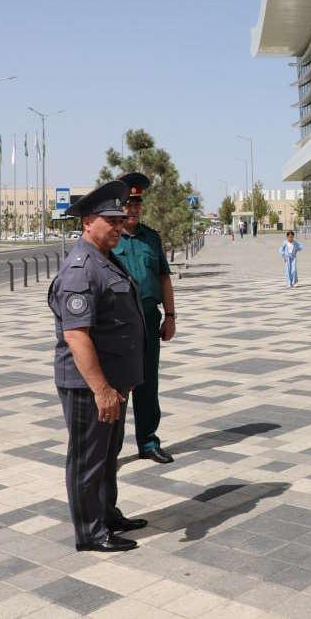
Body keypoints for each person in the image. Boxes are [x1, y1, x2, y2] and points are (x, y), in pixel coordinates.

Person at [47, 180, 148, 552]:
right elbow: (77, 336)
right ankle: (89, 532)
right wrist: (102, 389)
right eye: (112, 221)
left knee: (108, 455)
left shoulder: (107, 258)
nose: (120, 227)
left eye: (121, 220)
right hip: (89, 386)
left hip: (113, 383)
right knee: (88, 458)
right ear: (88, 221)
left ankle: (107, 514)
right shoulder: (80, 268)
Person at [111, 172, 177, 465]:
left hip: (149, 319)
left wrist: (171, 316)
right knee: (119, 386)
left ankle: (148, 442)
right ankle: (109, 450)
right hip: (120, 324)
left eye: (137, 202)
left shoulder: (152, 238)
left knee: (148, 384)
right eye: (128, 203)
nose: (133, 208)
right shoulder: (109, 241)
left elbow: (163, 278)